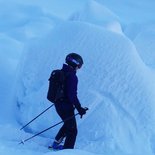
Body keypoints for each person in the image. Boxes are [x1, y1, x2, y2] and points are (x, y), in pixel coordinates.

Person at [49, 53, 87, 150]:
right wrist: (79, 108)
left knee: (68, 124)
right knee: (73, 130)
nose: (79, 68)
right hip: (66, 107)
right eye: (79, 66)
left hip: (58, 105)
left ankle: (55, 144)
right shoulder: (72, 77)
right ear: (75, 64)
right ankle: (67, 151)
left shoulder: (62, 72)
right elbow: (72, 95)